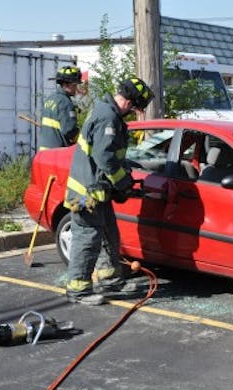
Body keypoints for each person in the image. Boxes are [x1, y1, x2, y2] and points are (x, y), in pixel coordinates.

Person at [62, 76, 155, 305]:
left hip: (98, 192)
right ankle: (78, 289)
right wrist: (123, 184)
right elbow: (105, 159)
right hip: (86, 194)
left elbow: (114, 157)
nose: (134, 112)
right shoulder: (108, 118)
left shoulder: (109, 114)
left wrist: (123, 181)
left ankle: (110, 281)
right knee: (88, 240)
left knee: (109, 236)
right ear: (130, 102)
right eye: (135, 108)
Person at [38, 65, 82, 150]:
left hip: (44, 152)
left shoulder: (50, 98)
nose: (76, 88)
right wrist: (83, 139)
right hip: (58, 154)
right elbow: (70, 131)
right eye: (74, 85)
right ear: (65, 84)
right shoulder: (65, 102)